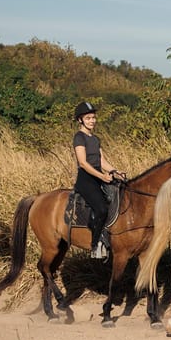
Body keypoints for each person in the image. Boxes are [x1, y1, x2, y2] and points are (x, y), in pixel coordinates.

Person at [72, 101, 124, 259]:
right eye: (88, 118)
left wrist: (115, 171)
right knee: (101, 208)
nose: (92, 121)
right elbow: (83, 162)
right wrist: (102, 176)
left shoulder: (95, 139)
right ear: (80, 120)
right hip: (86, 180)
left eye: (93, 118)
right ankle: (95, 245)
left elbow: (102, 161)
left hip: (98, 177)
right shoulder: (79, 137)